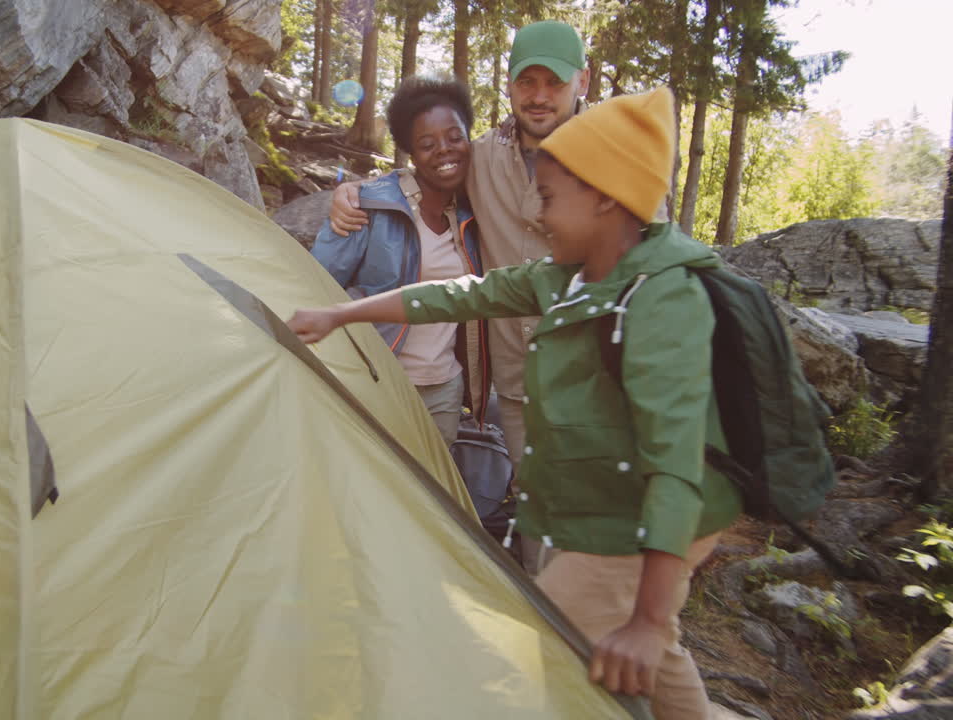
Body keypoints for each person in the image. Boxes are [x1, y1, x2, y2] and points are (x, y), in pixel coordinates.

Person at [287, 87, 742, 720]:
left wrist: (647, 613)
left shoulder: (665, 300)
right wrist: (342, 311)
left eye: (552, 199)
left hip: (649, 519)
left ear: (606, 198)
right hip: (620, 504)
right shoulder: (574, 275)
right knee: (650, 655)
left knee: (549, 643)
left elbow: (677, 468)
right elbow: (458, 295)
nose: (539, 214)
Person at [328, 20, 592, 466]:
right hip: (516, 384)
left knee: (601, 518)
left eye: (555, 82)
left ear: (582, 81)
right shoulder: (483, 156)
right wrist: (353, 192)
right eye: (527, 82)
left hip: (591, 382)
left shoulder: (617, 156)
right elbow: (429, 168)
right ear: (509, 86)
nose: (540, 95)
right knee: (534, 509)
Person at [309, 77, 490, 447]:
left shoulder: (476, 212)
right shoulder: (371, 207)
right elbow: (315, 285)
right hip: (378, 382)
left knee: (434, 496)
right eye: (427, 144)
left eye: (455, 137)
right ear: (409, 152)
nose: (444, 150)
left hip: (445, 389)